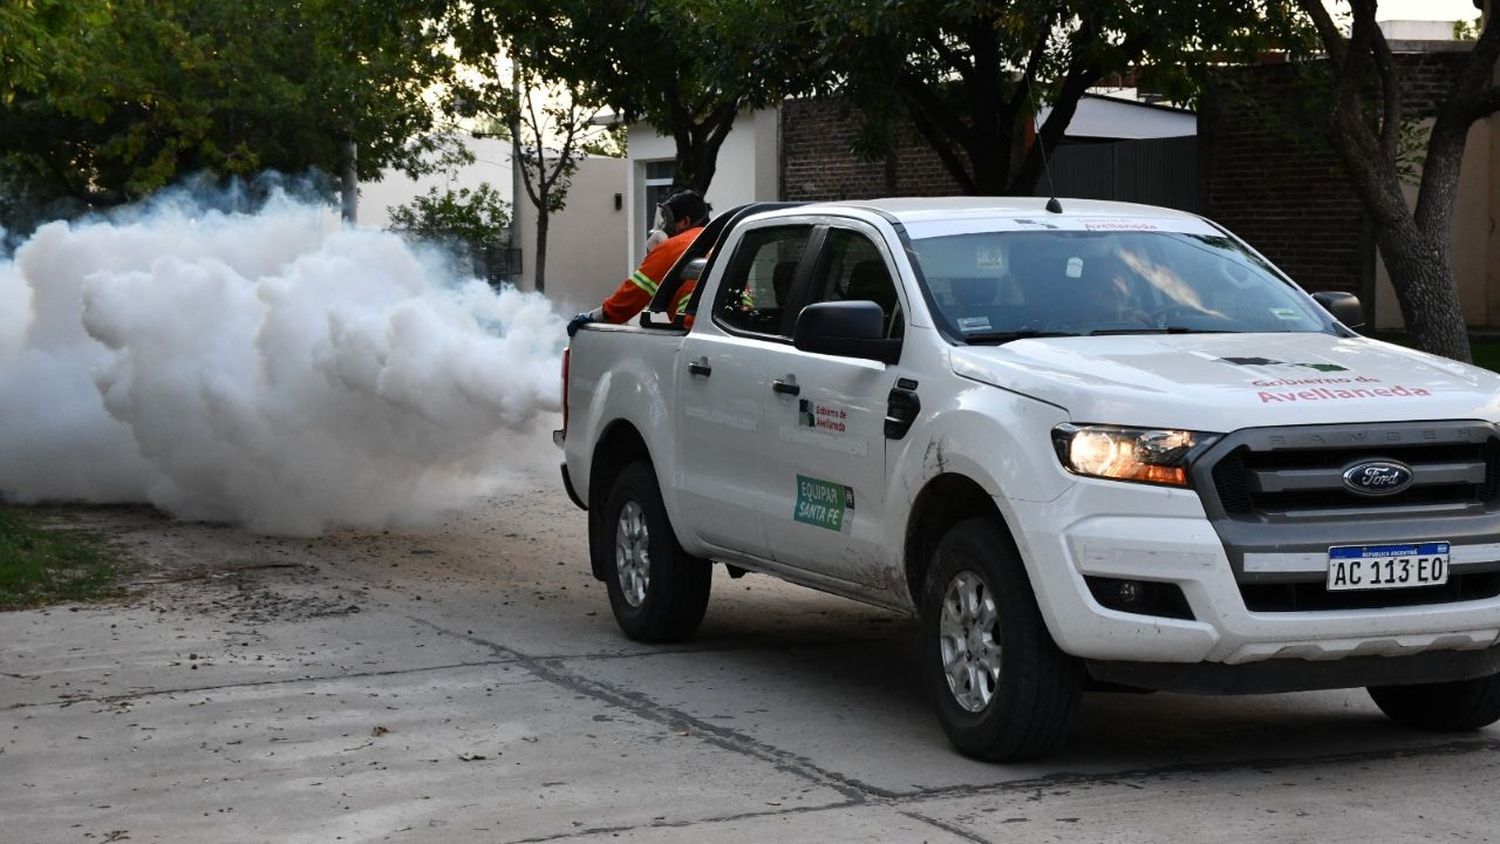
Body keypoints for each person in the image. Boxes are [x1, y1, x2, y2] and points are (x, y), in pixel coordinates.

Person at [567, 189, 709, 336]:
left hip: (693, 330)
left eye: (668, 221)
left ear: (685, 221)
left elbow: (632, 295)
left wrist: (593, 316)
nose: (663, 227)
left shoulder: (675, 246)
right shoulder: (720, 241)